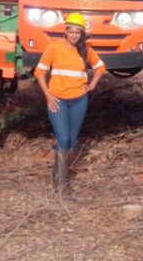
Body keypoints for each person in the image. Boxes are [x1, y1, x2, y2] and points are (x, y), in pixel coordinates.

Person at [33, 12, 105, 196]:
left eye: (77, 32)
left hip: (79, 100)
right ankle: (61, 187)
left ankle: (63, 178)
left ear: (82, 34)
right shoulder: (54, 47)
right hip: (58, 101)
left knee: (72, 141)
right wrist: (48, 96)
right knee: (63, 139)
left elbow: (100, 68)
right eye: (71, 32)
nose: (74, 35)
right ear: (65, 31)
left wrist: (92, 85)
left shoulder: (85, 50)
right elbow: (39, 73)